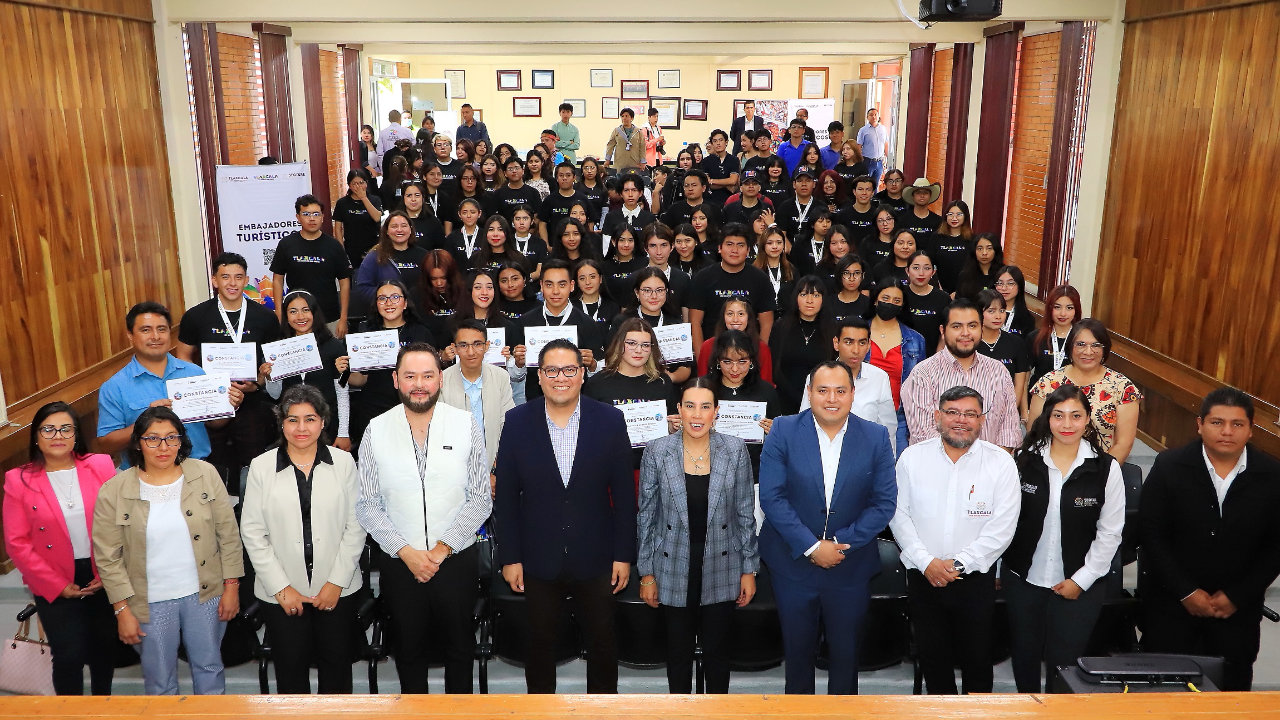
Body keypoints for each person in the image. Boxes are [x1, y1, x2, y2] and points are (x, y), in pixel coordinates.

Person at [494, 339, 637, 693]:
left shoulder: (610, 420)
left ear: (583, 375)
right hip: (537, 558)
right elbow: (507, 498)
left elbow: (623, 495)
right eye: (552, 370)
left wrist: (623, 555)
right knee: (540, 647)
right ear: (539, 376)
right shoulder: (516, 422)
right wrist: (510, 557)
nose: (561, 377)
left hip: (598, 557)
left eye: (569, 370)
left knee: (603, 646)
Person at [355, 343, 492, 693]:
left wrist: (442, 549)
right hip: (401, 564)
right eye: (410, 376)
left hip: (456, 560)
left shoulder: (465, 425)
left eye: (428, 376)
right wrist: (407, 552)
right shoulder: (376, 429)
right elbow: (368, 504)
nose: (420, 384)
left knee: (460, 653)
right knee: (409, 653)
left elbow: (480, 498)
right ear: (395, 380)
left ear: (440, 380)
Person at [759, 361, 897, 694]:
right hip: (793, 564)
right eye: (822, 390)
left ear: (852, 394)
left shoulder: (875, 436)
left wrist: (838, 543)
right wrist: (811, 546)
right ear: (809, 393)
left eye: (840, 390)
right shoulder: (783, 430)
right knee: (798, 657)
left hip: (850, 565)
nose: (831, 398)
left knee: (846, 658)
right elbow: (772, 497)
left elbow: (884, 503)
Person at [93, 407, 243, 695]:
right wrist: (122, 609)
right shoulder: (114, 490)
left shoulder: (204, 474)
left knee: (209, 667)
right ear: (138, 442)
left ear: (181, 440)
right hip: (150, 601)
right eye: (153, 439)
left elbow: (228, 534)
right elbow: (108, 559)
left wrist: (232, 586)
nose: (163, 447)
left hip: (205, 594)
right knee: (160, 680)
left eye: (171, 438)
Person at [1138, 387, 1280, 691]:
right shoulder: (1169, 466)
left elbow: (1275, 547)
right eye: (1217, 422)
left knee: (1231, 696)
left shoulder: (1272, 475)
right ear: (1199, 424)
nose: (1227, 432)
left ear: (1251, 431)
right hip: (1171, 608)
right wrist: (1187, 591)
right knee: (1166, 698)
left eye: (1237, 424)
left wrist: (1238, 596)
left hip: (1237, 613)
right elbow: (1151, 533)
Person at [890, 385, 1020, 694]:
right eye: (952, 412)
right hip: (924, 576)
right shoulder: (912, 458)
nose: (961, 420)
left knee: (978, 662)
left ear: (982, 420)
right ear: (937, 416)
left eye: (970, 414)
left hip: (975, 580)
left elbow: (1002, 527)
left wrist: (959, 564)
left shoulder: (1000, 463)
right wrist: (927, 563)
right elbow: (898, 515)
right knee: (934, 661)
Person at [239, 385, 367, 694]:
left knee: (337, 674)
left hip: (338, 589)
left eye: (309, 419)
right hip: (282, 593)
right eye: (292, 419)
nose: (301, 428)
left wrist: (336, 582)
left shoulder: (344, 463)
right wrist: (282, 589)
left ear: (323, 422)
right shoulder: (261, 466)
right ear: (281, 422)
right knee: (290, 676)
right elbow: (253, 532)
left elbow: (356, 526)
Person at [638, 378, 758, 693]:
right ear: (678, 409)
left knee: (718, 656)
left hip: (723, 565)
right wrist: (646, 572)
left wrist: (749, 569)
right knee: (677, 656)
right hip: (672, 565)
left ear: (716, 412)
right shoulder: (657, 450)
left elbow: (745, 513)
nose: (697, 414)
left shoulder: (734, 449)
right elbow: (646, 516)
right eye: (689, 405)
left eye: (705, 407)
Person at [1006, 384, 1125, 693]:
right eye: (1058, 416)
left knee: (1066, 665)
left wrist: (1081, 580)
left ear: (1088, 419)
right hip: (1024, 579)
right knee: (1024, 657)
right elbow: (1005, 521)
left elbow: (1110, 533)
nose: (1067, 424)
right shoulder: (1023, 461)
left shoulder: (1105, 469)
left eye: (1076, 416)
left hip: (1078, 585)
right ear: (1047, 419)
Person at [3, 403, 117, 695]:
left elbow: (122, 522)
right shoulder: (19, 479)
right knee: (69, 656)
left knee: (104, 652)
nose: (58, 435)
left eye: (66, 428)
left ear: (77, 435)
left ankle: (103, 708)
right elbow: (17, 543)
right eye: (48, 429)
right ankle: (70, 713)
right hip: (53, 577)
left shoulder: (101, 464)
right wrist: (57, 585)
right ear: (36, 437)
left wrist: (109, 572)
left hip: (100, 570)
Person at [97, 302, 245, 468]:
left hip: (197, 469)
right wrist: (146, 421)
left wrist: (229, 405)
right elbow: (106, 444)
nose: (156, 336)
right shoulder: (114, 387)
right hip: (144, 476)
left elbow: (214, 423)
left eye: (162, 329)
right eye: (146, 330)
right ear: (130, 335)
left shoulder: (194, 372)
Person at [173, 253, 282, 477]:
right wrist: (208, 387)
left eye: (238, 277)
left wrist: (257, 384)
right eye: (225, 277)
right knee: (214, 465)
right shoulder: (196, 316)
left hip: (252, 401)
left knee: (255, 465)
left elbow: (273, 362)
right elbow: (182, 357)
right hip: (211, 405)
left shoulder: (265, 317)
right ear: (214, 280)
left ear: (246, 280)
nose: (232, 283)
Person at [901, 299, 1022, 450]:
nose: (966, 333)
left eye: (972, 326)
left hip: (988, 470)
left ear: (981, 329)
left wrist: (988, 469)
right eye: (957, 326)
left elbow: (1008, 434)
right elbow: (924, 437)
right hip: (938, 470)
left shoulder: (999, 371)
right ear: (942, 331)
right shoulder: (923, 374)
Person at [1029, 319, 1142, 463]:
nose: (1088, 352)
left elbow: (1123, 444)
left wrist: (1099, 474)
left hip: (1100, 468)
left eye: (1096, 345)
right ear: (1070, 347)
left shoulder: (1123, 387)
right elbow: (1035, 434)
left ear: (1105, 349)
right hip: (1050, 465)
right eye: (1081, 344)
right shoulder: (1048, 383)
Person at [585, 317, 676, 471]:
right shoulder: (598, 383)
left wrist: (672, 427)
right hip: (610, 468)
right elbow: (587, 431)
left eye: (645, 345)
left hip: (655, 469)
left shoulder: (662, 382)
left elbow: (672, 427)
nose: (639, 350)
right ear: (620, 344)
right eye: (632, 343)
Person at [795, 317, 898, 452]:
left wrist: (888, 463)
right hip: (824, 453)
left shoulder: (879, 378)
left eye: (862, 343)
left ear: (868, 346)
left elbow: (888, 429)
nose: (855, 350)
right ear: (836, 343)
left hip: (865, 455)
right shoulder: (818, 376)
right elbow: (804, 421)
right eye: (848, 342)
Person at [266, 291, 351, 449]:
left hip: (327, 428)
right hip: (292, 429)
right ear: (285, 315)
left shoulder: (333, 347)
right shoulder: (279, 348)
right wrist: (270, 377)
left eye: (305, 310)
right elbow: (275, 394)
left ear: (314, 312)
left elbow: (342, 393)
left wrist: (343, 433)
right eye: (293, 311)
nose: (300, 317)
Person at [513, 259, 605, 400]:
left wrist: (592, 365)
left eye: (562, 285)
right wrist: (518, 364)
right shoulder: (525, 322)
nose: (555, 291)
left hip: (577, 402)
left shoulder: (587, 323)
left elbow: (599, 375)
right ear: (541, 286)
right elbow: (516, 376)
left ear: (572, 286)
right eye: (549, 285)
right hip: (536, 401)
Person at [271, 194, 353, 338]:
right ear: (298, 217)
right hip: (297, 319)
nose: (312, 218)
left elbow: (345, 282)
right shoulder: (286, 244)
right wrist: (279, 312)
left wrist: (343, 318)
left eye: (316, 214)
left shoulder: (334, 245)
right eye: (306, 214)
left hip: (329, 317)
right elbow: (278, 279)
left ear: (323, 217)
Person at [440, 319, 516, 476]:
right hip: (454, 472)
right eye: (463, 345)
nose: (470, 352)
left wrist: (497, 469)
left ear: (487, 346)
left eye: (477, 344)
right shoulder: (442, 381)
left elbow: (509, 425)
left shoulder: (500, 377)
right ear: (454, 348)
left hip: (495, 468)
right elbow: (440, 432)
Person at [688, 223, 776, 355]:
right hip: (714, 353)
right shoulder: (703, 278)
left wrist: (759, 355)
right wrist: (703, 358)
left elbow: (766, 323)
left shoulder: (760, 279)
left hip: (748, 354)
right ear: (719, 248)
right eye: (729, 244)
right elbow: (695, 322)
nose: (735, 250)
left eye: (740, 245)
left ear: (748, 250)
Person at [769, 275, 835, 414]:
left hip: (822, 400)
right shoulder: (781, 326)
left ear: (823, 300)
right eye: (804, 294)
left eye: (816, 295)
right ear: (796, 298)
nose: (809, 300)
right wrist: (795, 396)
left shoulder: (832, 329)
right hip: (785, 400)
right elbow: (774, 366)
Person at [974, 289, 1032, 425]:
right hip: (974, 411)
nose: (998, 316)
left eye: (1002, 310)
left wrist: (1008, 411)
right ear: (978, 313)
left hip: (1006, 412)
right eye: (991, 311)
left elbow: (1019, 383)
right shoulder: (971, 343)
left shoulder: (1016, 343)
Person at [355, 210, 429, 309]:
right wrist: (389, 298)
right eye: (394, 226)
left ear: (411, 229)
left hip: (419, 313)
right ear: (386, 231)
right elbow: (363, 288)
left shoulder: (424, 255)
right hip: (387, 314)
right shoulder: (374, 257)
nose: (399, 230)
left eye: (404, 226)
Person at [1028, 284, 1082, 390]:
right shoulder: (1035, 337)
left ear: (1076, 310)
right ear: (1049, 309)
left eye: (1069, 308)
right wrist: (1025, 407)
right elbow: (1024, 376)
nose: (1063, 313)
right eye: (1057, 307)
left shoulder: (1082, 340)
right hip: (1038, 399)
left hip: (1070, 401)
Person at [332, 170, 385, 270]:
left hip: (373, 247)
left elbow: (377, 217)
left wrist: (363, 198)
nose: (358, 186)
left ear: (366, 183)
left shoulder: (375, 200)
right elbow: (338, 228)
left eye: (361, 183)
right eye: (354, 183)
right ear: (349, 185)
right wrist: (341, 249)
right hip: (352, 248)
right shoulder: (342, 203)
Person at [902, 249, 951, 355]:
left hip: (933, 356)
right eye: (916, 268)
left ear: (933, 272)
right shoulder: (899, 295)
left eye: (927, 268)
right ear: (907, 271)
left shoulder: (943, 298)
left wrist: (938, 357)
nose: (921, 273)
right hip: (901, 356)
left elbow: (946, 331)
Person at [931, 200, 974, 294]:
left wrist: (959, 291)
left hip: (965, 290)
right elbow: (930, 264)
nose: (954, 218)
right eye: (950, 214)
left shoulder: (972, 239)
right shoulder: (936, 238)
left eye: (959, 214)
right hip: (940, 290)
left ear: (965, 217)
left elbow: (973, 268)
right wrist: (938, 286)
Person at [954, 232, 1004, 302]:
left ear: (996, 250)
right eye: (980, 248)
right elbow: (959, 302)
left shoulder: (1004, 274)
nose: (984, 253)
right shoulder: (965, 275)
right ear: (974, 251)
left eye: (989, 248)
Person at [701, 129, 741, 207]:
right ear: (712, 144)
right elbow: (707, 183)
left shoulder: (734, 159)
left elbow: (733, 181)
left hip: (730, 200)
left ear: (726, 142)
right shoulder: (706, 161)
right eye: (715, 141)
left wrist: (712, 181)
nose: (718, 143)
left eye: (721, 140)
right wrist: (726, 184)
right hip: (710, 200)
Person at [994, 265, 1037, 336]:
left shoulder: (1027, 319)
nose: (1004, 288)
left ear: (1019, 286)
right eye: (1000, 283)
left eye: (1010, 283)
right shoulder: (985, 312)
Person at [897, 178, 943, 243]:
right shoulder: (903, 220)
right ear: (913, 196)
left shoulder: (938, 221)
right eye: (918, 193)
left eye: (925, 193)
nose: (922, 196)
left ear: (930, 196)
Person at [856, 108, 891, 190]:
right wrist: (860, 160)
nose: (874, 117)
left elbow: (885, 144)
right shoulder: (863, 130)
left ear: (878, 116)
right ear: (867, 117)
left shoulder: (883, 129)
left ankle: (874, 202)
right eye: (871, 115)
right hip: (868, 161)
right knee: (866, 184)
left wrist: (888, 158)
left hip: (879, 162)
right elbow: (858, 146)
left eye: (876, 114)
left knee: (876, 185)